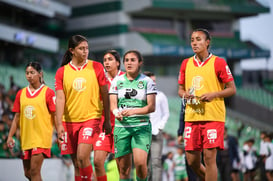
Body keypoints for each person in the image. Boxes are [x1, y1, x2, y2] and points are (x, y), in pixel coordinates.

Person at [177, 28, 236, 181]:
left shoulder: (219, 62)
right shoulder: (186, 63)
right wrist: (185, 95)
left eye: (198, 39)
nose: (194, 43)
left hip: (213, 117)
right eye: (192, 40)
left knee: (209, 158)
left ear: (207, 42)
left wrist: (214, 94)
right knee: (192, 161)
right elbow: (180, 90)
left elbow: (231, 89)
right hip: (191, 116)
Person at [55, 35, 111, 181]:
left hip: (91, 119)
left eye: (87, 48)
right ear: (72, 50)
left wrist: (107, 120)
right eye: (81, 49)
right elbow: (60, 99)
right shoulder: (62, 72)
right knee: (76, 163)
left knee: (82, 156)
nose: (85, 51)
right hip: (69, 121)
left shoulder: (97, 66)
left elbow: (105, 95)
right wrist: (59, 123)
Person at [109, 50, 157, 181]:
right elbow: (113, 105)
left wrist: (133, 111)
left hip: (141, 128)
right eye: (127, 60)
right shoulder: (116, 81)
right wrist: (116, 113)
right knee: (124, 170)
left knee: (140, 164)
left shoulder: (147, 81)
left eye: (133, 60)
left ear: (140, 62)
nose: (129, 63)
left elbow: (151, 107)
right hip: (121, 128)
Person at [7, 62, 56, 180]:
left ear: (40, 74)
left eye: (32, 72)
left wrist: (59, 133)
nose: (29, 75)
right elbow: (17, 117)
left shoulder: (48, 92)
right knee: (28, 173)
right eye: (27, 73)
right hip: (26, 139)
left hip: (41, 138)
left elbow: (55, 114)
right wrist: (10, 136)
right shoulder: (21, 93)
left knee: (34, 171)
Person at [93, 49, 124, 180]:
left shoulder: (125, 78)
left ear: (117, 62)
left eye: (110, 59)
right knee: (98, 162)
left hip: (121, 126)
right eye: (105, 60)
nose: (106, 62)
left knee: (121, 166)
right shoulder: (99, 79)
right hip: (104, 126)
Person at [143, 71, 170, 181]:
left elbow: (166, 113)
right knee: (143, 163)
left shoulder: (160, 95)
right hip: (142, 133)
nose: (153, 83)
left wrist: (160, 127)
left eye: (154, 81)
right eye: (151, 81)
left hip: (155, 133)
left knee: (156, 161)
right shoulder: (139, 96)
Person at [177, 100, 197, 181]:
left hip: (204, 128)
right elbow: (182, 114)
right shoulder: (185, 95)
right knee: (190, 161)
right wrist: (180, 133)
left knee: (205, 160)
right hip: (190, 129)